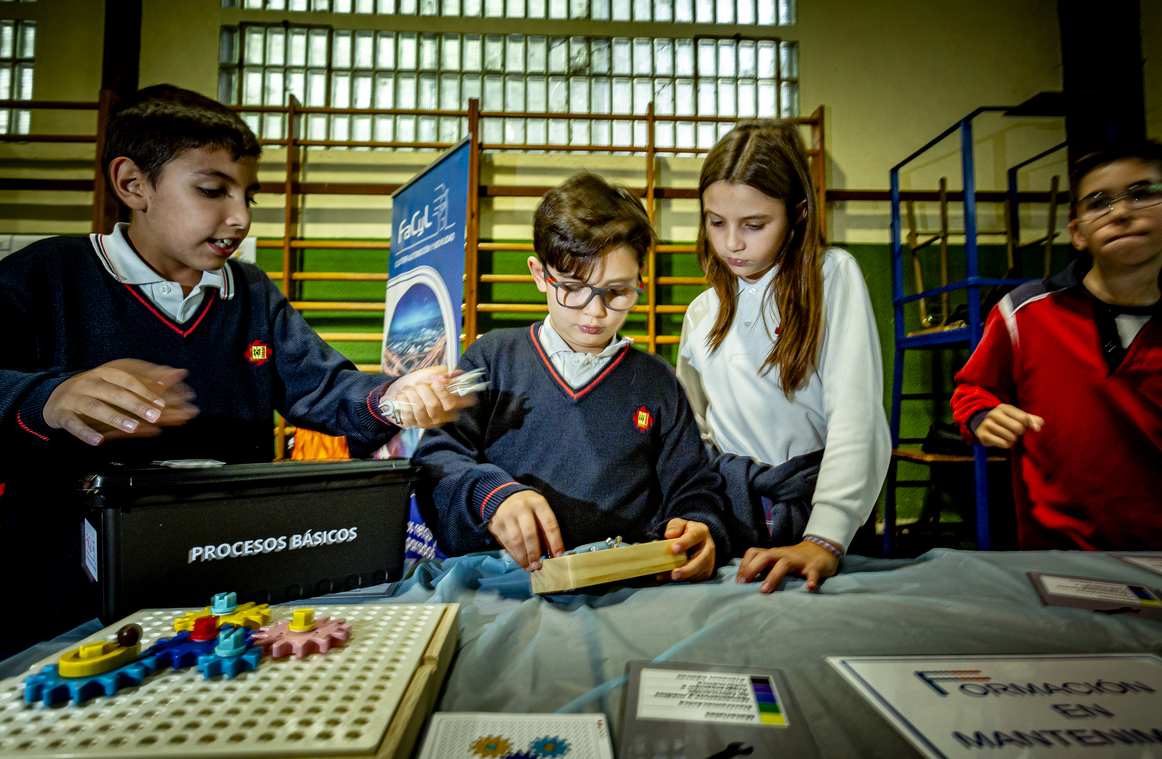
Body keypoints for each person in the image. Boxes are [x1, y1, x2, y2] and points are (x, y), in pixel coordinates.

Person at [0, 85, 472, 644]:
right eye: (211, 191)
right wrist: (47, 399)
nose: (241, 217)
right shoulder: (45, 275)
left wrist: (391, 397)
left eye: (250, 196)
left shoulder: (249, 292)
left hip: (223, 590)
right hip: (63, 606)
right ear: (132, 184)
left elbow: (323, 387)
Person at [412, 172, 734, 581]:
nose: (594, 312)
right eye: (573, 288)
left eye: (617, 292)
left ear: (639, 280)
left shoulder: (657, 381)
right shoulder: (487, 360)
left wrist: (700, 526)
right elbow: (436, 459)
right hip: (507, 581)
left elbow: (693, 483)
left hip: (631, 586)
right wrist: (490, 496)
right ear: (539, 273)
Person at [952, 140, 1162, 550]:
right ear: (1077, 233)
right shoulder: (1023, 313)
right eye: (1099, 202)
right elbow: (972, 391)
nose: (1120, 213)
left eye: (1142, 194)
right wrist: (982, 416)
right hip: (1057, 552)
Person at [677, 120, 890, 593]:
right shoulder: (701, 314)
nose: (732, 242)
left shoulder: (832, 277)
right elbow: (694, 434)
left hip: (818, 509)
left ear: (796, 214)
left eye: (754, 225)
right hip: (736, 517)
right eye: (716, 222)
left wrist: (826, 537)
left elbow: (856, 416)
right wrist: (700, 519)